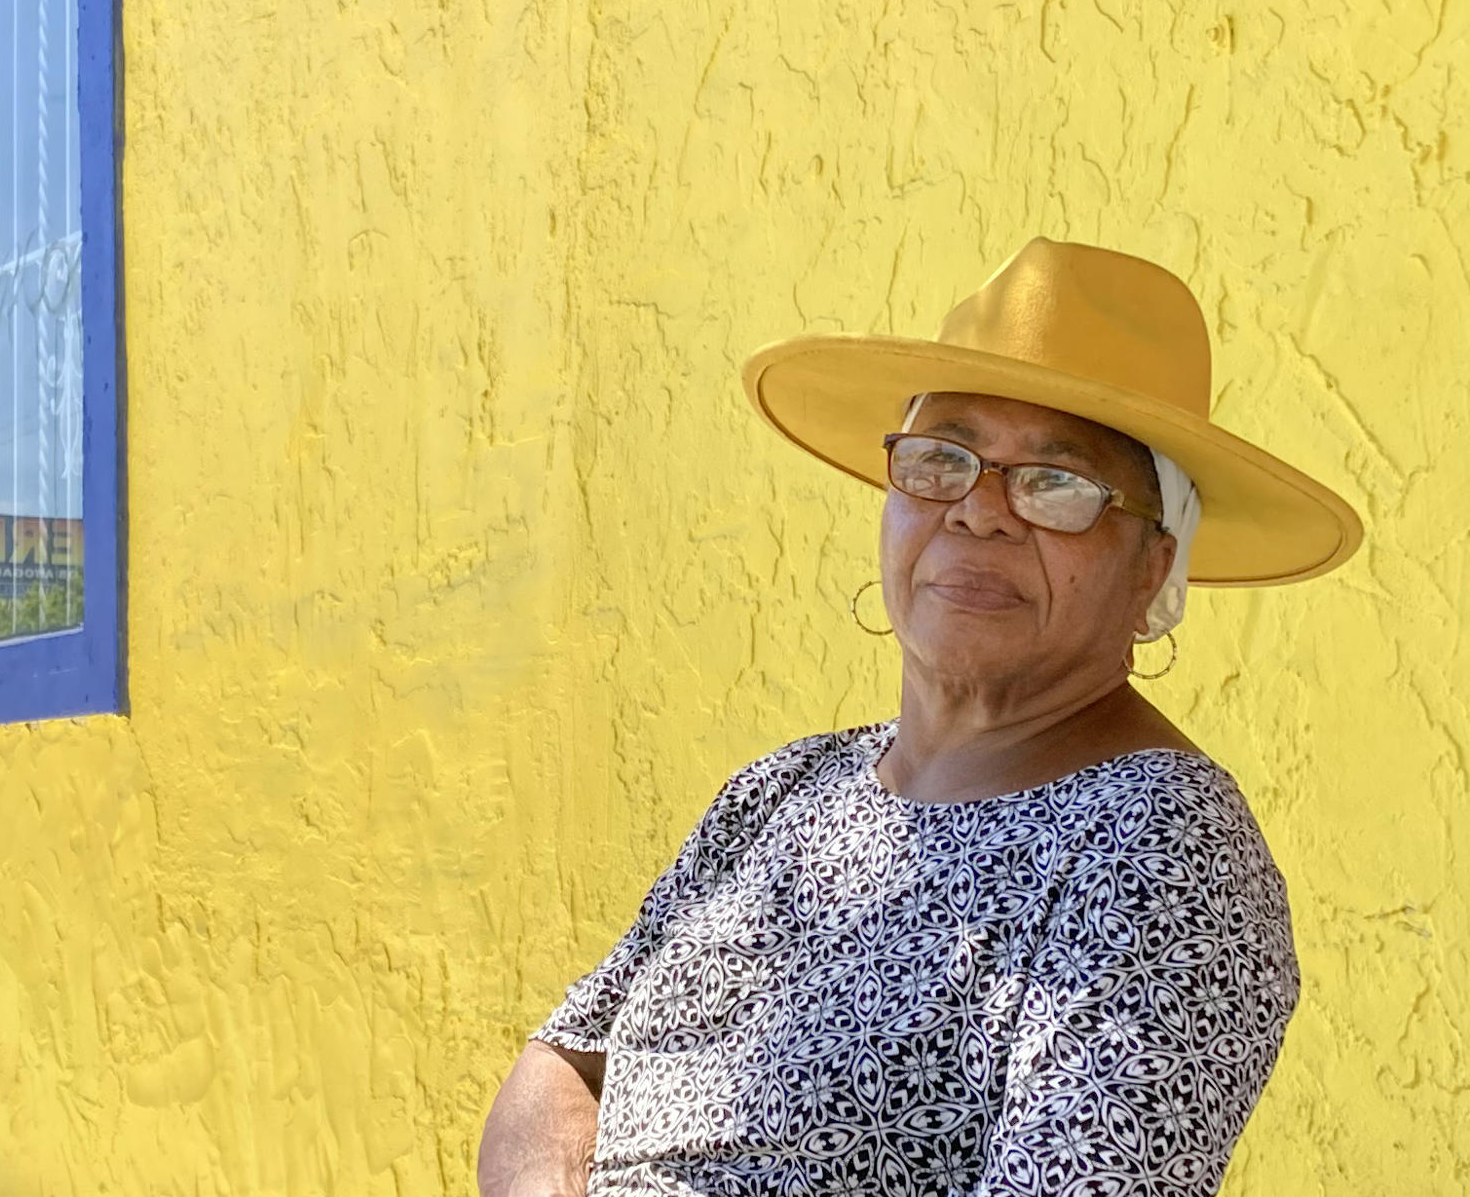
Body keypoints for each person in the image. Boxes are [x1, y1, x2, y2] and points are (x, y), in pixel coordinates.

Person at [477, 238, 1363, 1197]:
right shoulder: (787, 791)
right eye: (941, 460)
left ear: (1154, 564)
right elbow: (567, 1060)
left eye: (1055, 483)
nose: (979, 513)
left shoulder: (1162, 844)